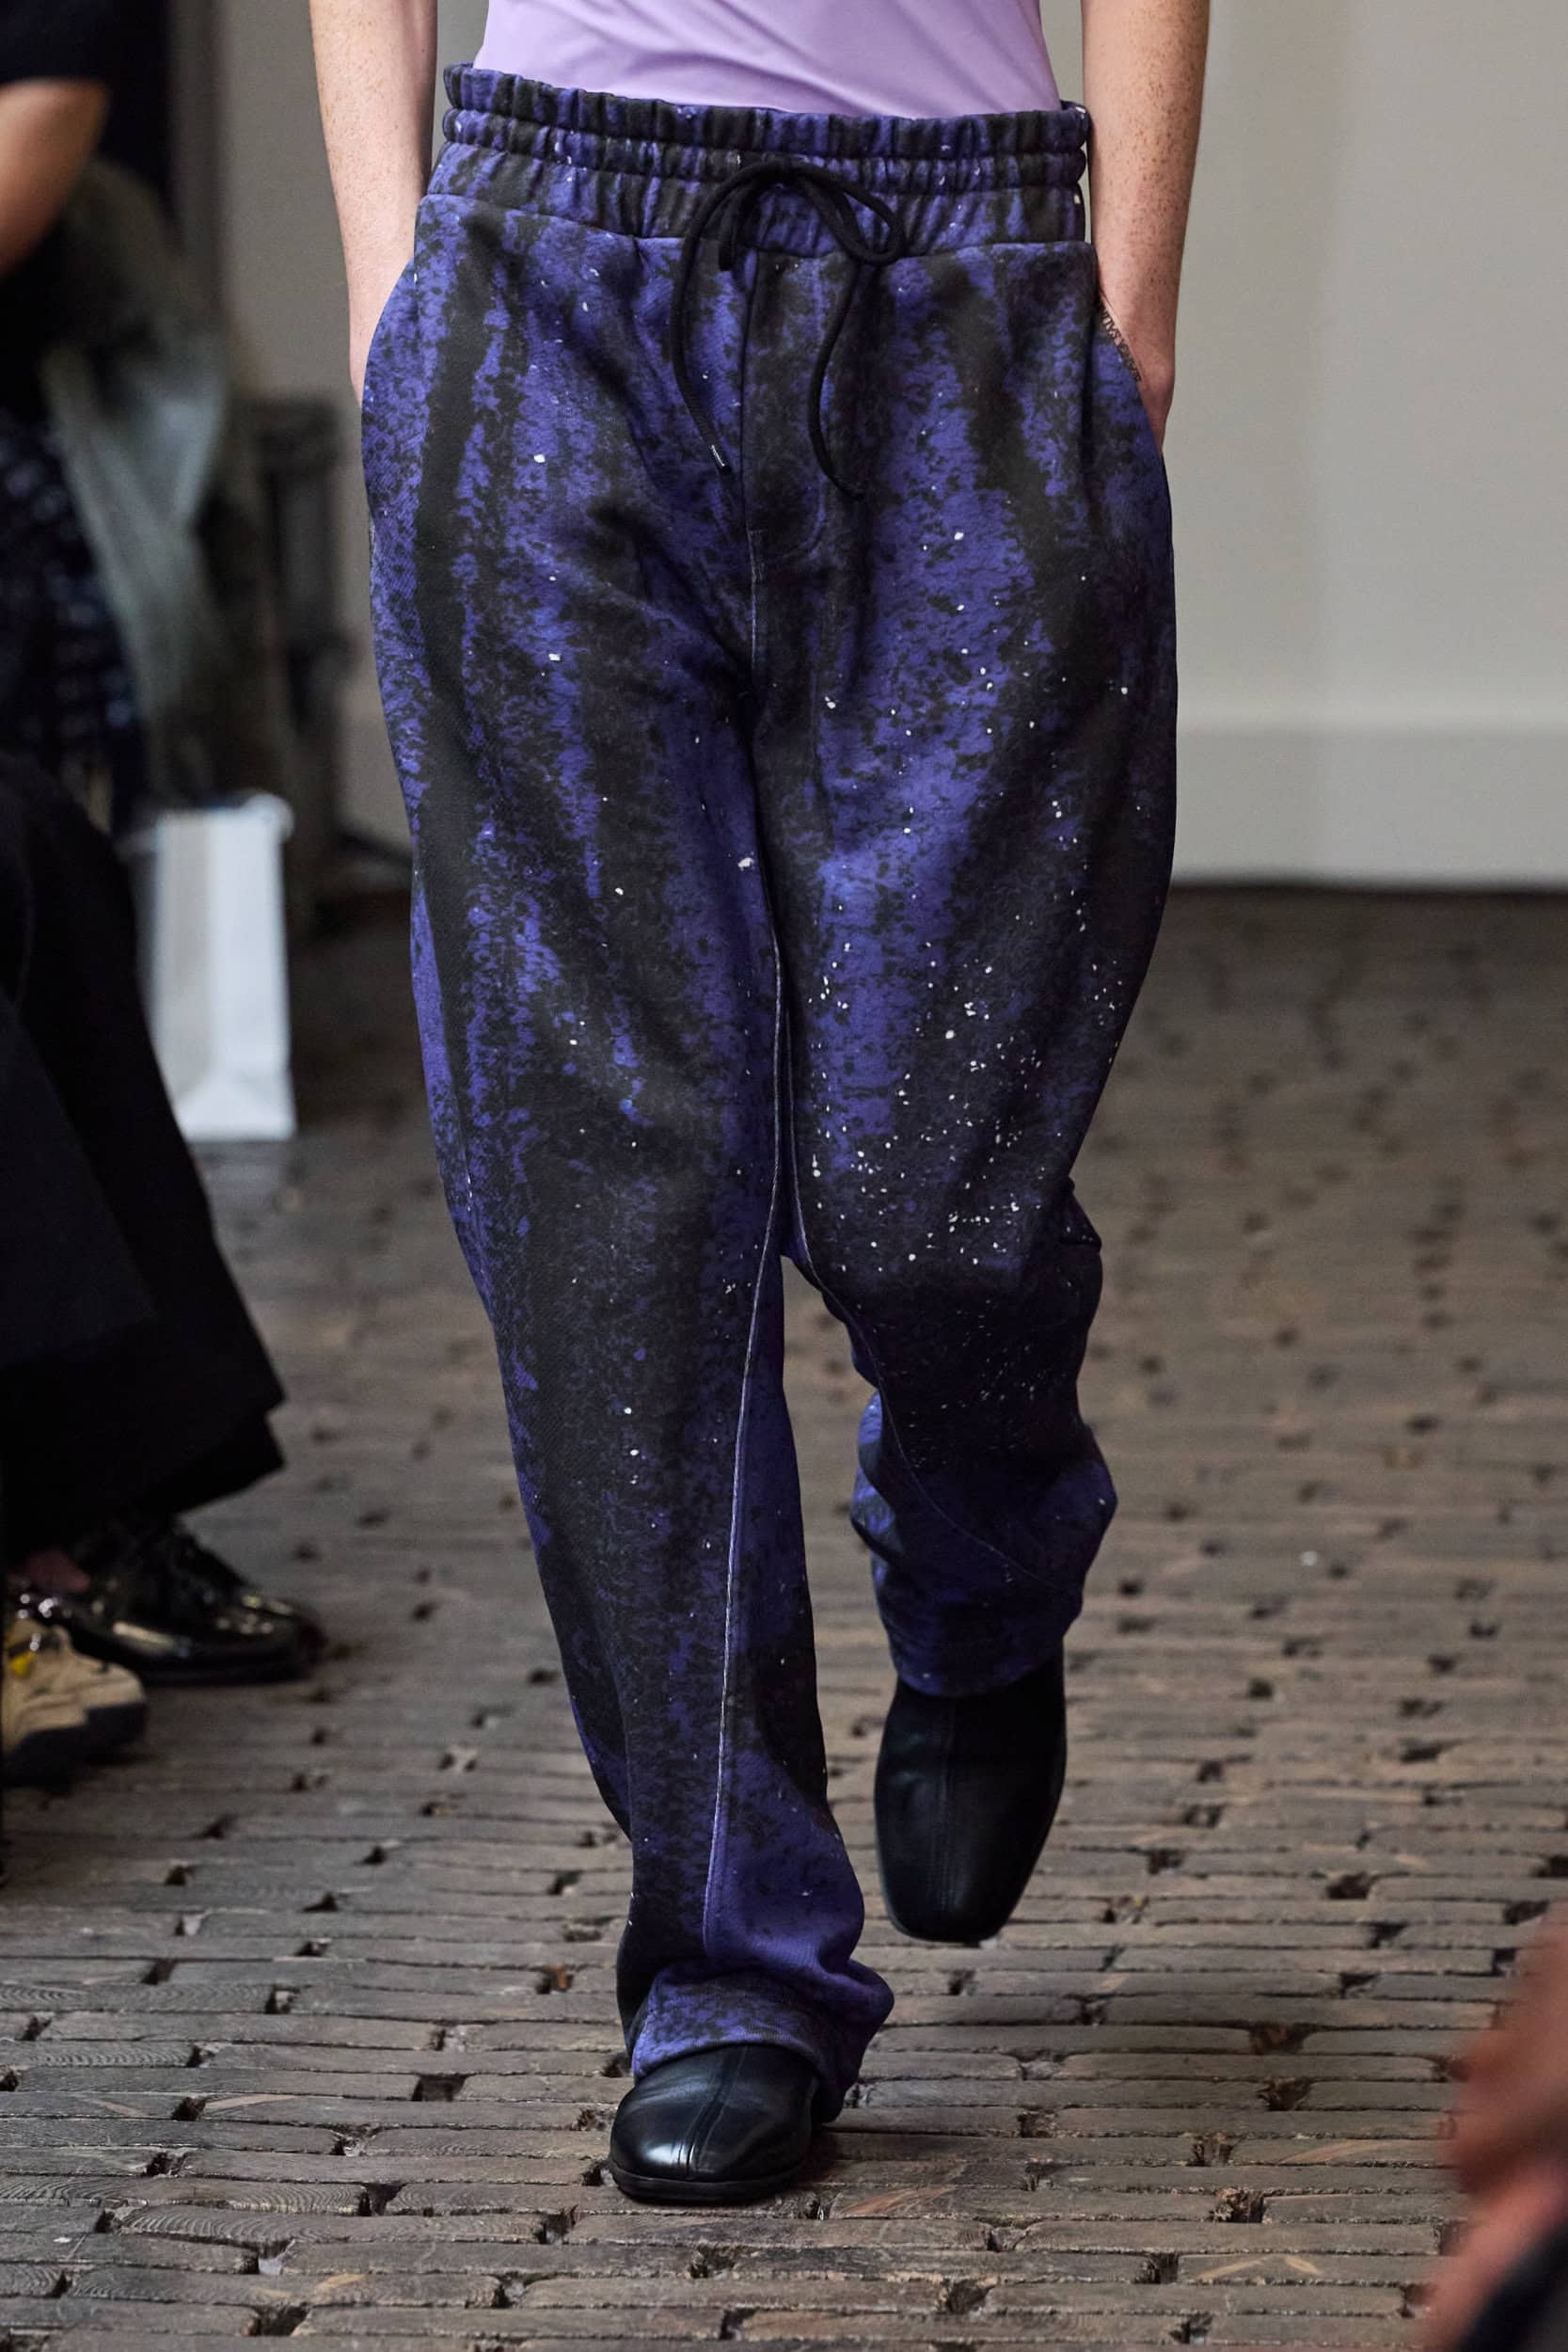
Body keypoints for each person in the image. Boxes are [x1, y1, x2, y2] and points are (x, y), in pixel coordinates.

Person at [311, 0, 1205, 2201]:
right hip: (542, 264)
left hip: (966, 278)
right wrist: (391, 284)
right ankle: (730, 1967)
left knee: (932, 1188)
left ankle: (986, 1555)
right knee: (616, 1199)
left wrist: (1127, 312)